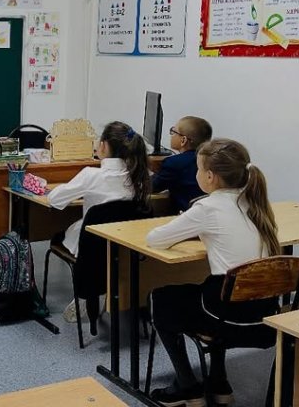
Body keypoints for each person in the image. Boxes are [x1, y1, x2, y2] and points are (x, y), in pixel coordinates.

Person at [144, 139, 280, 407]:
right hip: (263, 320)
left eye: (198, 169)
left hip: (227, 320)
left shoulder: (207, 208)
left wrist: (191, 226)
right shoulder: (256, 205)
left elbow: (155, 239)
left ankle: (187, 387)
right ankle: (219, 384)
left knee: (161, 298)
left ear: (209, 177)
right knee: (214, 293)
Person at [47, 121, 153, 322]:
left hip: (92, 246)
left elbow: (54, 200)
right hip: (125, 246)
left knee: (62, 235)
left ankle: (86, 295)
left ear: (103, 145)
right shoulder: (141, 175)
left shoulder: (91, 175)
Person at [152, 116, 212, 212]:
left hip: (183, 214)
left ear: (183, 140)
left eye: (173, 132)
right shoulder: (212, 161)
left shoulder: (173, 163)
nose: (171, 135)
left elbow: (152, 187)